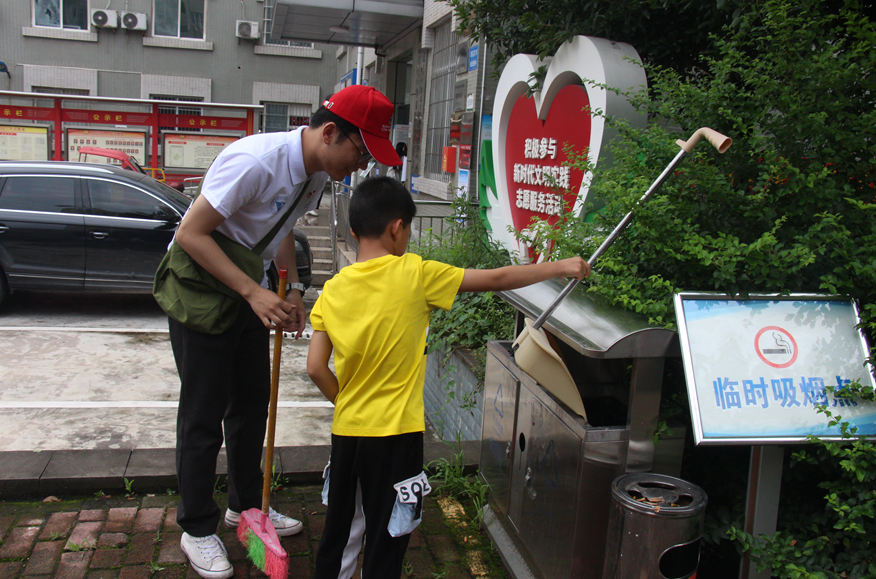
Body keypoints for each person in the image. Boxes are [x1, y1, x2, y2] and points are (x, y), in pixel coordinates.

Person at [164, 85, 402, 579]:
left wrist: (290, 289)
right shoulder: (256, 162)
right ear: (330, 132)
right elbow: (190, 234)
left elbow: (283, 229)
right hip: (200, 287)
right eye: (361, 152)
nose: (361, 165)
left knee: (252, 405)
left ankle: (247, 507)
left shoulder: (316, 175)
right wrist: (254, 293)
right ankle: (196, 527)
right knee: (203, 414)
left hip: (246, 286)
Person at [306, 177, 590, 579]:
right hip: (396, 435)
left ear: (353, 231)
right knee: (388, 534)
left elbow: (315, 368)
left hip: (347, 432)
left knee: (341, 531)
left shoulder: (332, 289)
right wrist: (560, 267)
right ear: (397, 228)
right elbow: (496, 279)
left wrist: (347, 403)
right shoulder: (415, 273)